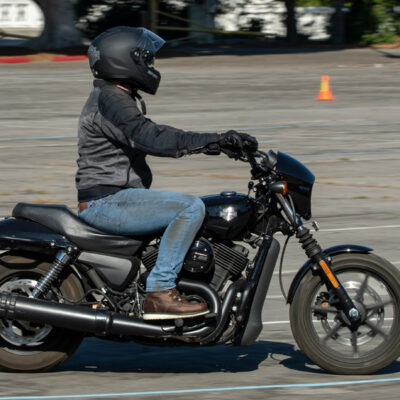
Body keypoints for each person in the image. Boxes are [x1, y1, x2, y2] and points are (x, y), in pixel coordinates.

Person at [76, 26, 258, 321]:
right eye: (146, 59)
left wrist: (218, 144)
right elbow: (153, 137)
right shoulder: (111, 100)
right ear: (124, 60)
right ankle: (160, 292)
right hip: (107, 202)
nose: (150, 65)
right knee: (189, 207)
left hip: (114, 199)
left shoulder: (113, 97)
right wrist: (215, 140)